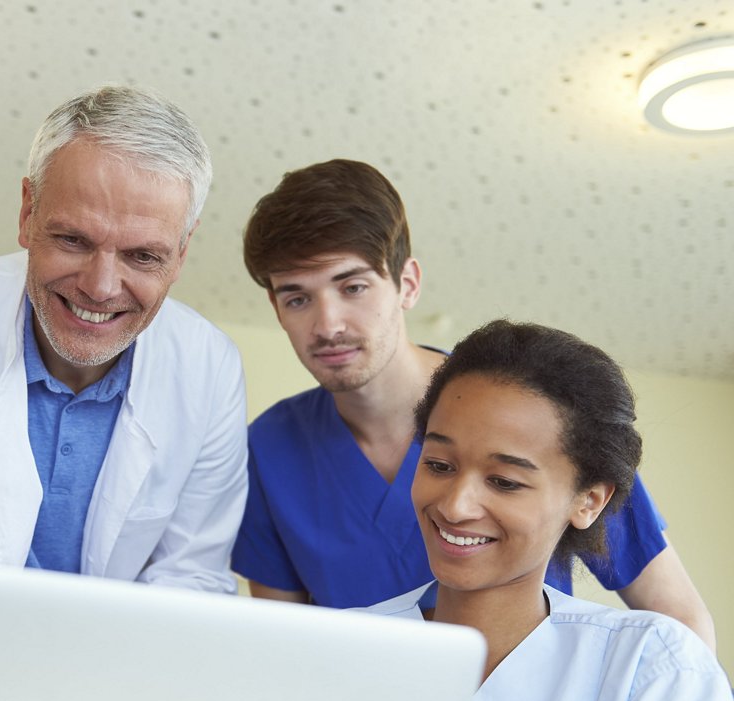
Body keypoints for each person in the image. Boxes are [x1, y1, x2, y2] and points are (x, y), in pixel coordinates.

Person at [234, 159, 717, 648]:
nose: (328, 324)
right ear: (276, 307)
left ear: (407, 283)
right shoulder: (269, 449)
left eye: (353, 286)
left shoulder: (536, 409)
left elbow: (680, 622)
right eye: (297, 298)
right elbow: (285, 647)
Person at [0, 85, 246, 592]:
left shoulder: (209, 367)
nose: (101, 288)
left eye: (142, 256)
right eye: (73, 240)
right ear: (27, 212)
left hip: (120, 665)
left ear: (182, 252)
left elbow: (191, 578)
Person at [362, 319, 734, 701]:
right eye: (439, 464)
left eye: (505, 481)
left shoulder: (652, 673)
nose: (454, 505)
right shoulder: (333, 652)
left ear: (589, 501)